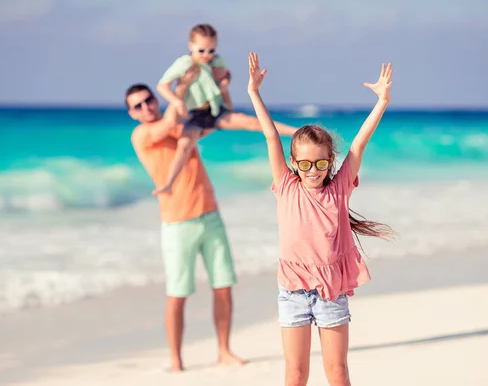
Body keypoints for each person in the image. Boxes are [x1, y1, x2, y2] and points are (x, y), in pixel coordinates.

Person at [246, 52, 395, 386]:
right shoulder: (286, 185)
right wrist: (254, 93)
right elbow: (271, 135)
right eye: (305, 164)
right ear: (293, 162)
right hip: (292, 290)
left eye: (321, 164)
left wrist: (382, 102)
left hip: (331, 291)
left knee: (337, 372)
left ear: (331, 161)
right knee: (296, 373)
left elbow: (358, 144)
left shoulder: (339, 189)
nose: (313, 171)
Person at [126, 68, 246, 372]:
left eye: (148, 100)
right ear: (132, 113)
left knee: (223, 286)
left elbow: (215, 122)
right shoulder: (142, 135)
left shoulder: (181, 126)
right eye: (138, 106)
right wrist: (181, 87)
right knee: (178, 294)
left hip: (210, 213)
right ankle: (176, 360)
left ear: (155, 99)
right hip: (178, 223)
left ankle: (224, 350)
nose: (146, 107)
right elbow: (166, 123)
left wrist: (219, 86)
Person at [154, 23, 297, 195]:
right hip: (195, 114)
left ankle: (297, 132)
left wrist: (227, 97)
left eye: (211, 50)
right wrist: (176, 102)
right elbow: (162, 86)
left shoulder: (218, 61)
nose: (207, 55)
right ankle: (168, 184)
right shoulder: (184, 63)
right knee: (183, 146)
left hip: (217, 110)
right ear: (191, 46)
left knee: (251, 122)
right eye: (201, 50)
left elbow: (224, 85)